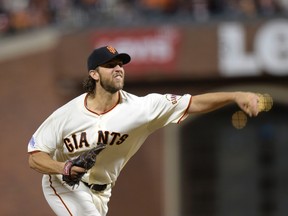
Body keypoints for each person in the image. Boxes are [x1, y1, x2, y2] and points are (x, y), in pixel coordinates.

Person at [28, 45, 260, 216]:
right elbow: (35, 157)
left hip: (102, 191)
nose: (118, 68)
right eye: (110, 65)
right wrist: (64, 168)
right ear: (94, 74)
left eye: (120, 64)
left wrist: (235, 95)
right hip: (62, 182)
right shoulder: (67, 114)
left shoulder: (143, 108)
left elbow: (193, 103)